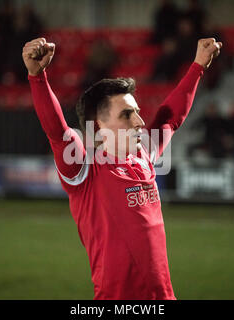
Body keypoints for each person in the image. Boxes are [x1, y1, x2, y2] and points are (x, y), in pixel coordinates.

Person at [22, 36, 222, 299]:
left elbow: (170, 118)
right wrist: (38, 77)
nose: (139, 121)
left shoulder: (144, 155)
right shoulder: (85, 171)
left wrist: (198, 66)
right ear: (99, 126)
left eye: (137, 111)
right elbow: (57, 132)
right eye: (127, 114)